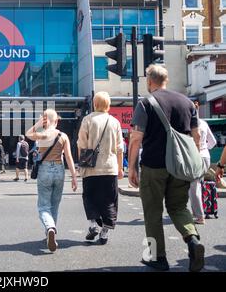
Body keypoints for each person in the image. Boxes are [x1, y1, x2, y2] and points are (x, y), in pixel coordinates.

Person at [128, 64, 205, 272]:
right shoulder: (188, 103)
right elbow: (196, 137)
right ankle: (193, 241)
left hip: (154, 166)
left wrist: (132, 167)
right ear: (167, 80)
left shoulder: (146, 103)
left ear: (149, 81)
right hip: (180, 166)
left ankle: (158, 258)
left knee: (153, 212)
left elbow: (136, 139)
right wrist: (192, 160)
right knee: (179, 207)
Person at [26, 109, 78, 252]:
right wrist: (74, 176)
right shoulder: (63, 136)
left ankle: (50, 227)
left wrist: (38, 123)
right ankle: (51, 231)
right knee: (55, 205)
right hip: (59, 170)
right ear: (56, 121)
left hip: (44, 170)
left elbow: (27, 134)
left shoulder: (42, 135)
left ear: (44, 120)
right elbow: (69, 157)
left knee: (43, 206)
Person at [77, 92, 124, 245]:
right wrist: (120, 168)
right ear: (108, 104)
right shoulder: (114, 122)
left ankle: (92, 224)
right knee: (109, 200)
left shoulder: (88, 120)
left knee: (89, 196)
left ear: (95, 104)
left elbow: (81, 144)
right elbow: (119, 147)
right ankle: (104, 232)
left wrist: (81, 164)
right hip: (109, 167)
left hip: (90, 168)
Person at [189, 101, 216, 225]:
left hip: (195, 157)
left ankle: (200, 216)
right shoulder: (204, 123)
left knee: (194, 187)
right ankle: (198, 212)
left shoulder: (190, 124)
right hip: (206, 157)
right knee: (197, 185)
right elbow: (213, 142)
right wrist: (205, 148)